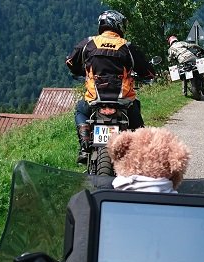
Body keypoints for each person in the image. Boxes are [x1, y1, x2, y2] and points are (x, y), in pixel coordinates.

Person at [66, 9, 156, 162]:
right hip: (123, 101)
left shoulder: (88, 43)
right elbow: (148, 71)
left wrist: (82, 71)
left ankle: (84, 144)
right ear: (118, 25)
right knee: (137, 122)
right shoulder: (127, 46)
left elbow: (70, 62)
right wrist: (147, 76)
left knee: (80, 110)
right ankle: (140, 154)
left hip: (95, 99)